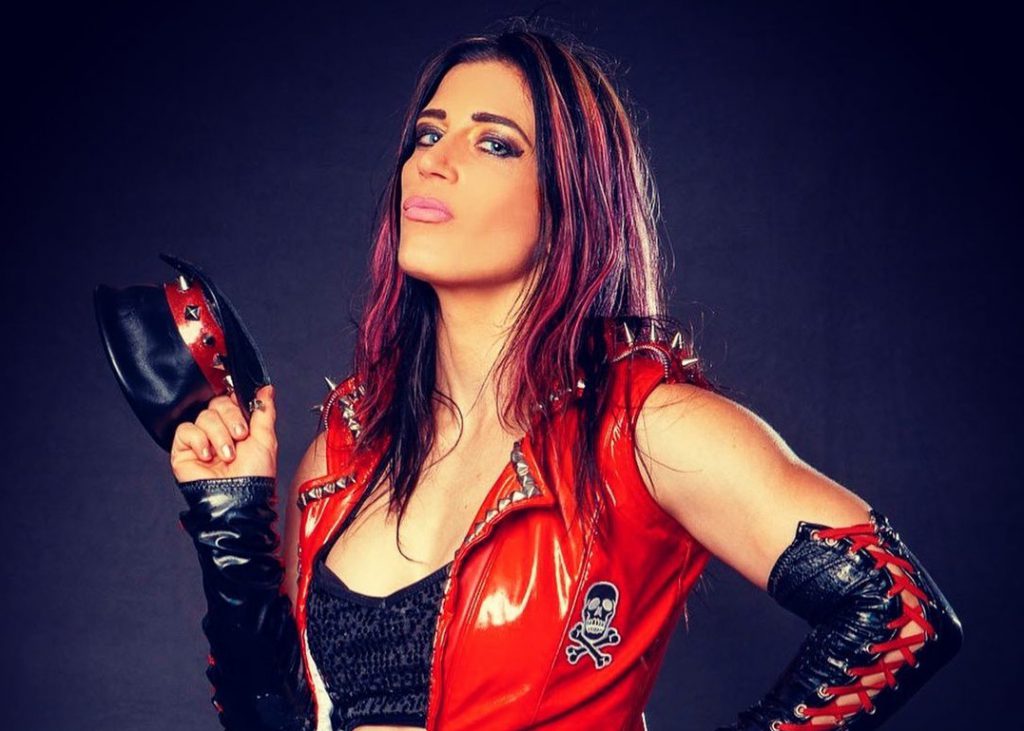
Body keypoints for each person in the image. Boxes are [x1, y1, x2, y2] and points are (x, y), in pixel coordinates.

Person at [169, 21, 963, 731]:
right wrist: (230, 521)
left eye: (494, 143)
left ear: (569, 201)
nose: (433, 161)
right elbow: (273, 719)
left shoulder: (643, 431)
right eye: (427, 133)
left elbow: (898, 612)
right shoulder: (342, 460)